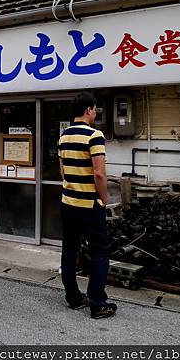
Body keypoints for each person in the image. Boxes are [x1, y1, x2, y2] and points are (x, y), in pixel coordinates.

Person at [58, 92, 116, 319]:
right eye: (95, 109)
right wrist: (103, 199)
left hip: (68, 201)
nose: (96, 113)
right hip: (89, 203)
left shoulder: (64, 137)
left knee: (70, 248)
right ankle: (98, 303)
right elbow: (99, 172)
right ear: (89, 110)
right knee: (100, 251)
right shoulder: (94, 135)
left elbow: (63, 171)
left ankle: (73, 297)